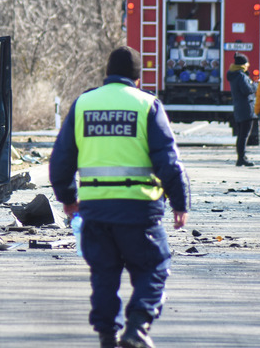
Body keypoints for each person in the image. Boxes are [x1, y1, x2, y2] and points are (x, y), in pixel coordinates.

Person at [49, 46, 190, 348]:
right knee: (154, 268)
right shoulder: (147, 105)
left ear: (107, 73)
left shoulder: (83, 104)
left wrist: (68, 197)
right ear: (138, 77)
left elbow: (61, 158)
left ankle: (107, 336)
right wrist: (180, 202)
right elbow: (168, 160)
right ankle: (136, 328)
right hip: (139, 211)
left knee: (104, 275)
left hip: (96, 211)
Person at [227, 53, 258, 167]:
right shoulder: (241, 76)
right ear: (243, 65)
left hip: (239, 107)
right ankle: (241, 158)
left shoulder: (234, 75)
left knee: (241, 134)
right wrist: (255, 85)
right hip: (246, 108)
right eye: (246, 63)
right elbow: (246, 90)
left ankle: (241, 157)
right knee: (244, 135)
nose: (248, 65)